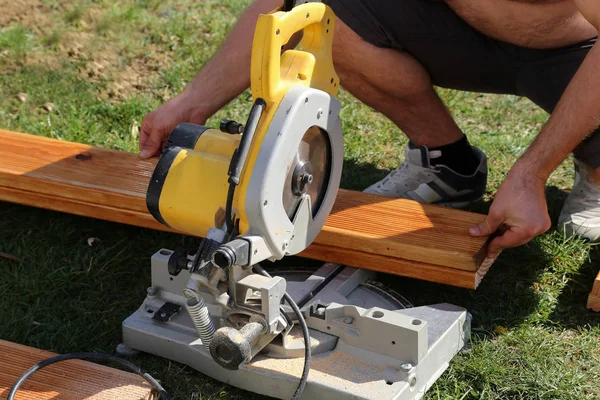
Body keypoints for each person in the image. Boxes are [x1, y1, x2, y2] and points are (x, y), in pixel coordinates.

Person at [139, 0, 600, 260]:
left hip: (580, 49)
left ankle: (596, 175)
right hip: (468, 31)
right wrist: (191, 103)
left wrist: (530, 172)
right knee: (327, 13)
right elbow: (284, 4)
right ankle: (447, 166)